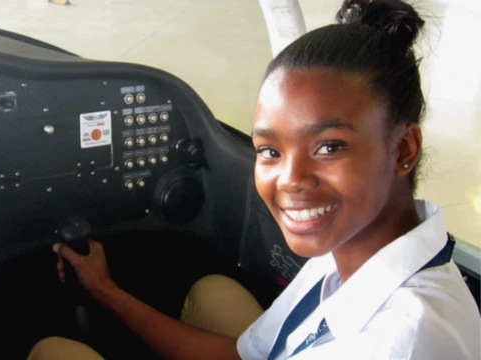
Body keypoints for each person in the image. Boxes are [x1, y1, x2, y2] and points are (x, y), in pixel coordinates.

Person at [29, 0, 481, 359]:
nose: (290, 180)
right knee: (214, 294)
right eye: (270, 150)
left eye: (329, 146)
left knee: (55, 352)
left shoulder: (399, 341)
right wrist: (106, 291)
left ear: (403, 149)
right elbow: (241, 355)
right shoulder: (349, 250)